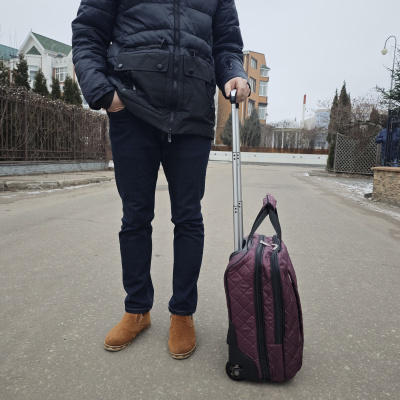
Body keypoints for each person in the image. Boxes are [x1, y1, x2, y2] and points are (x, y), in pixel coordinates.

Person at [72, 0, 250, 359]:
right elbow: (89, 33)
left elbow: (226, 43)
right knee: (135, 216)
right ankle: (137, 309)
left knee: (188, 216)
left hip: (193, 112)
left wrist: (233, 71)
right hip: (132, 107)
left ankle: (182, 312)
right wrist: (104, 93)